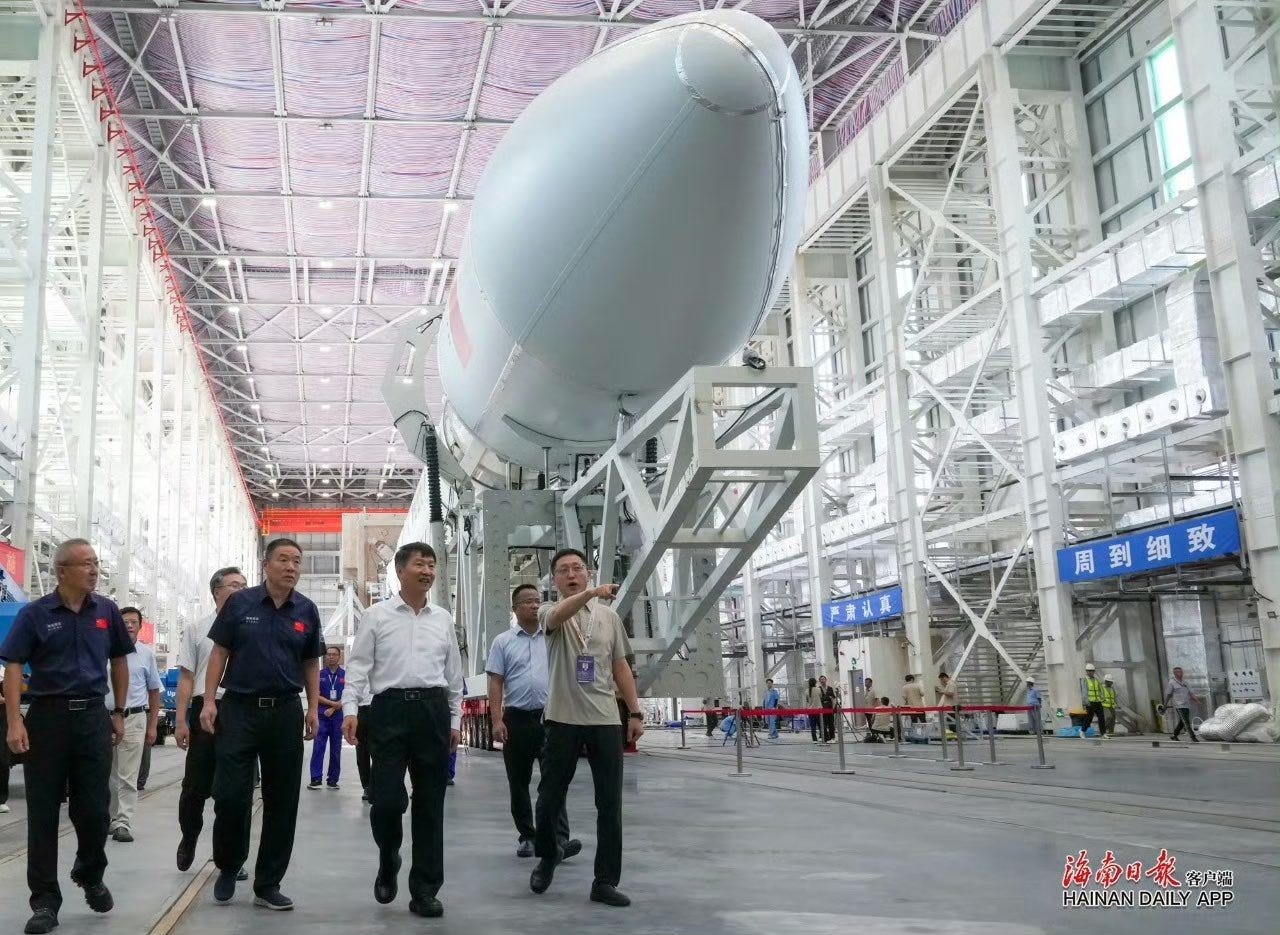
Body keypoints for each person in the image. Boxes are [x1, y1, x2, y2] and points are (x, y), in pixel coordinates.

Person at [1, 538, 132, 935]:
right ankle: (44, 901)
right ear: (61, 571)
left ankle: (90, 873)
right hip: (47, 718)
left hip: (93, 717)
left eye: (96, 563)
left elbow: (119, 661)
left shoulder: (106, 611)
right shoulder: (35, 615)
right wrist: (14, 721)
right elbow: (13, 666)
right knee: (42, 813)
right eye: (85, 564)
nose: (94, 570)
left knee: (94, 811)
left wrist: (119, 711)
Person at [200, 538, 322, 910]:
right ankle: (228, 865)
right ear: (266, 564)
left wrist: (313, 708)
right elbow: (219, 651)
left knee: (282, 800)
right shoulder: (240, 604)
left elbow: (310, 663)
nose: (291, 567)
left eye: (297, 561)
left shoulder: (307, 610)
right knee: (232, 795)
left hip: (285, 711)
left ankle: (268, 883)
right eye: (283, 559)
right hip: (239, 709)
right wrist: (208, 701)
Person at [342, 542, 462, 919]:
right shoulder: (377, 616)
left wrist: (455, 719)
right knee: (387, 801)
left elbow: (454, 674)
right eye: (419, 564)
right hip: (388, 711)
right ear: (400, 570)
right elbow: (358, 665)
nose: (427, 570)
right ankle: (388, 855)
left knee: (431, 804)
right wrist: (350, 709)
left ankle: (425, 889)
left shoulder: (442, 618)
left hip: (432, 711)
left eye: (431, 564)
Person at [528, 548, 644, 908]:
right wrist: (590, 594)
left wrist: (635, 712)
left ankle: (605, 881)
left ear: (588, 572)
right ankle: (550, 855)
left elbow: (621, 666)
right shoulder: (549, 611)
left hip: (605, 721)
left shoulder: (608, 619)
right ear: (555, 580)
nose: (571, 574)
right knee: (548, 799)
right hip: (562, 719)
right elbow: (560, 614)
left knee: (609, 804)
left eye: (578, 568)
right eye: (563, 570)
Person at [487, 583, 577, 859]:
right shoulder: (502, 642)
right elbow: (496, 682)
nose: (535, 605)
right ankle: (527, 835)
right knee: (519, 781)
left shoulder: (554, 637)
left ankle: (559, 840)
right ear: (515, 609)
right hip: (517, 720)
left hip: (551, 718)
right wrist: (497, 720)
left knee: (554, 780)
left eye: (538, 600)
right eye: (527, 601)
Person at [174, 566, 249, 879]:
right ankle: (189, 836)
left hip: (239, 711)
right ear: (216, 590)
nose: (242, 589)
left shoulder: (251, 627)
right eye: (234, 585)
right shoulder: (197, 629)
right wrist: (180, 720)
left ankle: (229, 858)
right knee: (195, 786)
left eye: (245, 585)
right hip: (203, 709)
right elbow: (187, 677)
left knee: (233, 791)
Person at [106, 606, 161, 843]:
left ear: (140, 626)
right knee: (106, 774)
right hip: (104, 718)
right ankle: (108, 818)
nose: (128, 625)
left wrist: (152, 726)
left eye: (133, 622)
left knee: (127, 775)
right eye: (124, 621)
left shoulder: (146, 654)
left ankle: (123, 822)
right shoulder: (104, 649)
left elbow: (154, 691)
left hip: (134, 718)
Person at [309, 646, 345, 790]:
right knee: (318, 747)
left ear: (339, 657)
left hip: (338, 717)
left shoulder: (345, 675)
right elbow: (315, 694)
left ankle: (333, 779)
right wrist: (331, 704)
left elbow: (349, 695)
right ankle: (316, 778)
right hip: (322, 716)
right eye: (328, 654)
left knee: (336, 749)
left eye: (334, 654)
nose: (331, 657)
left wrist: (335, 708)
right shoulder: (319, 674)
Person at [1163, 667, 1199, 743]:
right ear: (1175, 673)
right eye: (1178, 672)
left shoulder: (1185, 683)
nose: (1181, 673)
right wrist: (1165, 705)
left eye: (1181, 672)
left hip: (1186, 705)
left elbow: (1191, 693)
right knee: (1186, 721)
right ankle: (1193, 737)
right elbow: (1168, 695)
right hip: (1179, 705)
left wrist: (1197, 701)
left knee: (1182, 722)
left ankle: (1174, 735)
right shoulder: (1171, 683)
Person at [1079, 663, 1106, 738]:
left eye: (1092, 671)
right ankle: (1082, 731)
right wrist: (1086, 702)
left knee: (1101, 717)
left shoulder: (1096, 680)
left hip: (1097, 701)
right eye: (1089, 671)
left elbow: (1101, 690)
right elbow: (1084, 692)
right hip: (1090, 702)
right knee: (1089, 718)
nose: (1091, 672)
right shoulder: (1085, 680)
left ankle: (1103, 733)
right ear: (1086, 671)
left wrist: (1102, 698)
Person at [355, 701, 373, 802]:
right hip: (361, 709)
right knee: (362, 751)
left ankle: (376, 784)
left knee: (381, 749)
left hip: (381, 705)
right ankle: (367, 786)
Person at [818, 675, 836, 743]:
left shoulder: (830, 688)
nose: (822, 681)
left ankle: (832, 737)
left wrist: (833, 708)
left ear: (826, 680)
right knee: (823, 723)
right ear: (819, 681)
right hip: (822, 709)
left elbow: (833, 699)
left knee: (831, 723)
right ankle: (823, 736)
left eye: (823, 679)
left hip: (830, 708)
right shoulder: (818, 689)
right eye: (821, 679)